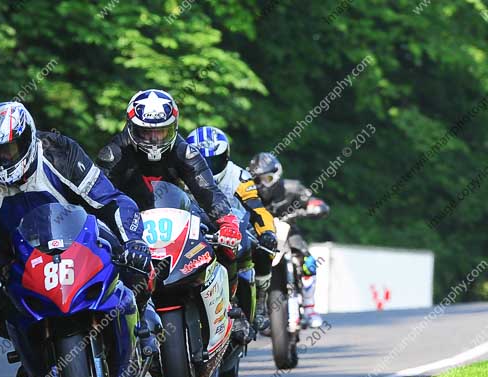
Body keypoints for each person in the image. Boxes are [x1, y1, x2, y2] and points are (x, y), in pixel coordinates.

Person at [0, 101, 161, 355]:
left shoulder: (58, 151)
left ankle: (143, 314)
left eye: (8, 149)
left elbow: (109, 200)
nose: (1, 160)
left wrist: (133, 240)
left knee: (129, 252)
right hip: (19, 250)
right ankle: (25, 336)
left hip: (82, 237)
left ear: (27, 138)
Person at [96, 90, 242, 261]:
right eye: (145, 132)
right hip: (129, 222)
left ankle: (228, 284)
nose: (154, 139)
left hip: (176, 213)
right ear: (131, 128)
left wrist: (227, 222)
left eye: (161, 131)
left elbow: (207, 189)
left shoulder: (185, 152)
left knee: (228, 247)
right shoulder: (114, 153)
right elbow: (97, 195)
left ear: (174, 126)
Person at [186, 126, 278, 333]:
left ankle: (255, 306)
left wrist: (268, 233)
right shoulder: (180, 173)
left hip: (233, 229)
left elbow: (257, 209)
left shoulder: (239, 177)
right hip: (192, 230)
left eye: (214, 161)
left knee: (262, 250)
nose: (208, 168)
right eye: (202, 162)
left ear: (225, 157)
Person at [247, 152, 330, 328]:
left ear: (277, 175)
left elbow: (312, 201)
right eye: (257, 180)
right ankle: (251, 310)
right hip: (260, 236)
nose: (262, 184)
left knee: (308, 262)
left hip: (289, 232)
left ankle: (309, 308)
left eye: (267, 178)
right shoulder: (249, 192)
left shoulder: (292, 188)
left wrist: (316, 207)